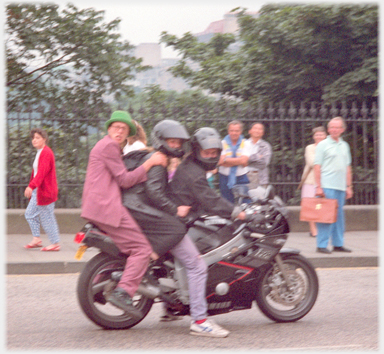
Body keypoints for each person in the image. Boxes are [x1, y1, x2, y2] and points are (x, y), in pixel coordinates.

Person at [122, 120, 230, 338]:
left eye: (179, 142)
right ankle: (200, 320)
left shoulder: (174, 162)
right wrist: (176, 210)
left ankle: (171, 307)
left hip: (151, 215)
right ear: (161, 141)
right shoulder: (162, 163)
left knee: (177, 261)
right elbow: (155, 193)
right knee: (197, 266)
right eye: (172, 141)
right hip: (161, 219)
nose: (176, 145)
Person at [81, 110, 167, 319]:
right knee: (141, 249)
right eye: (116, 127)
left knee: (129, 246)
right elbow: (125, 180)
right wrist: (151, 162)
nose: (119, 131)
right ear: (109, 128)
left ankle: (111, 282)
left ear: (129, 132)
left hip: (98, 205)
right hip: (107, 207)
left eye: (124, 129)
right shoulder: (109, 145)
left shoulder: (106, 145)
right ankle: (124, 291)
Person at [314, 117, 353, 254]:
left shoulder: (344, 145)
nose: (334, 130)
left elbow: (348, 167)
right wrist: (319, 186)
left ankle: (338, 243)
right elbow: (317, 167)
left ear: (342, 130)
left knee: (339, 216)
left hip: (341, 186)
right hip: (327, 185)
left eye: (337, 127)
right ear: (328, 129)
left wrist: (349, 186)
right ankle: (321, 245)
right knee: (325, 216)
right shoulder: (322, 145)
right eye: (332, 127)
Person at [23, 128, 61, 251]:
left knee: (47, 217)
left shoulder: (46, 153)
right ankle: (36, 239)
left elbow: (42, 173)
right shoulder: (40, 152)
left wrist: (31, 186)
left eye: (37, 137)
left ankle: (55, 243)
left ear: (44, 139)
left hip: (45, 191)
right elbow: (35, 173)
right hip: (38, 191)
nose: (34, 140)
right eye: (33, 138)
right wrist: (32, 187)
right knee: (29, 214)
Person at [299, 126, 327, 237]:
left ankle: (322, 229)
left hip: (325, 181)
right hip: (311, 181)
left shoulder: (329, 147)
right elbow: (312, 162)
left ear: (325, 136)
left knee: (323, 206)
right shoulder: (310, 148)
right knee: (310, 206)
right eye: (317, 135)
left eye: (321, 134)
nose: (319, 136)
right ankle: (313, 229)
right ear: (313, 136)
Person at [218, 120, 249, 203]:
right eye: (231, 130)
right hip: (225, 177)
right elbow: (220, 161)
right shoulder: (222, 143)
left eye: (237, 131)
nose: (234, 133)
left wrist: (226, 161)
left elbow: (244, 161)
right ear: (228, 131)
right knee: (226, 202)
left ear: (241, 131)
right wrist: (239, 161)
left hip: (241, 177)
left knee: (245, 202)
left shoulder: (246, 143)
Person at [244, 122, 272, 189]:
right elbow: (240, 161)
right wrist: (257, 157)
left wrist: (247, 160)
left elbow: (264, 163)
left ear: (263, 132)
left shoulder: (266, 146)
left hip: (260, 178)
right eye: (255, 128)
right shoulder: (243, 144)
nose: (257, 131)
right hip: (244, 176)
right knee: (245, 198)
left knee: (260, 198)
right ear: (249, 131)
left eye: (260, 129)